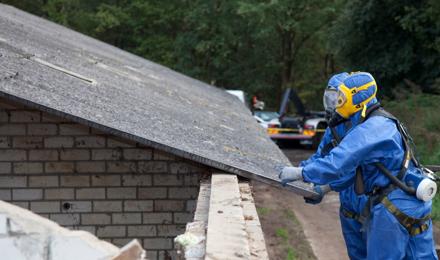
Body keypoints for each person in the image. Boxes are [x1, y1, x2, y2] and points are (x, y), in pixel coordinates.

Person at [279, 72, 437, 259]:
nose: (335, 104)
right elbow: (327, 158)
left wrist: (302, 173)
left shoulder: (372, 127)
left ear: (355, 98)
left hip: (391, 207)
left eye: (340, 99)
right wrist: (314, 177)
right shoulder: (367, 122)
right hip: (408, 202)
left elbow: (339, 163)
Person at [300, 72, 368, 259]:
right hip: (348, 210)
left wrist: (325, 187)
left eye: (338, 99)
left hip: (373, 208)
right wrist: (299, 172)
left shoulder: (367, 127)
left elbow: (355, 169)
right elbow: (320, 157)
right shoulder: (335, 128)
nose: (333, 105)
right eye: (330, 98)